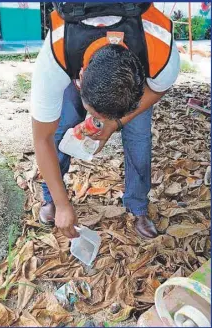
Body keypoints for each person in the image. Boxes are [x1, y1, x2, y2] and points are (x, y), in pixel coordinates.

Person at [31, 3, 180, 239]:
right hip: (73, 59)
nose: (97, 121)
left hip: (133, 63)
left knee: (139, 135)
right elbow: (42, 138)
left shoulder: (161, 51)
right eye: (96, 114)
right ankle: (51, 197)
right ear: (80, 78)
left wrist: (117, 124)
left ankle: (138, 206)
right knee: (62, 126)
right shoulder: (55, 57)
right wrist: (62, 204)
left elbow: (159, 88)